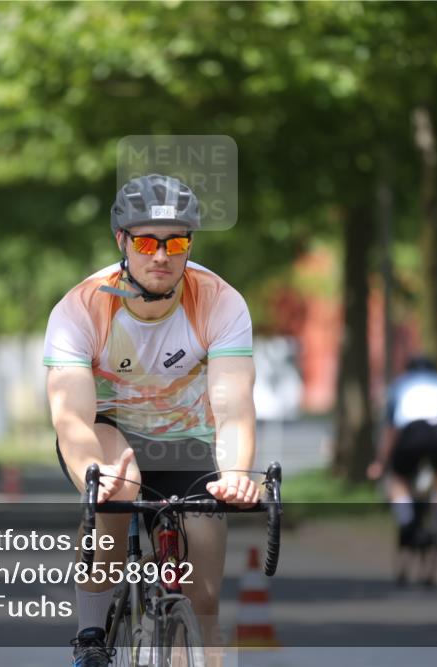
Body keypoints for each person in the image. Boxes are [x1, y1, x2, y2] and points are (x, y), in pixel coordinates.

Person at [44, 174, 259, 666]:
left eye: (175, 242)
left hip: (186, 438)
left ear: (189, 244)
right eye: (146, 242)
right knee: (117, 490)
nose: (161, 255)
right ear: (122, 241)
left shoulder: (220, 301)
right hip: (109, 430)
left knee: (203, 598)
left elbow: (233, 406)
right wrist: (92, 475)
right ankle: (91, 636)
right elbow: (71, 416)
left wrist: (236, 474)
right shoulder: (82, 308)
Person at [367, 355, 437, 586]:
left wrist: (380, 462)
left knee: (397, 478)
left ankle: (406, 518)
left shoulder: (400, 385)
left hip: (412, 433)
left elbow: (391, 430)